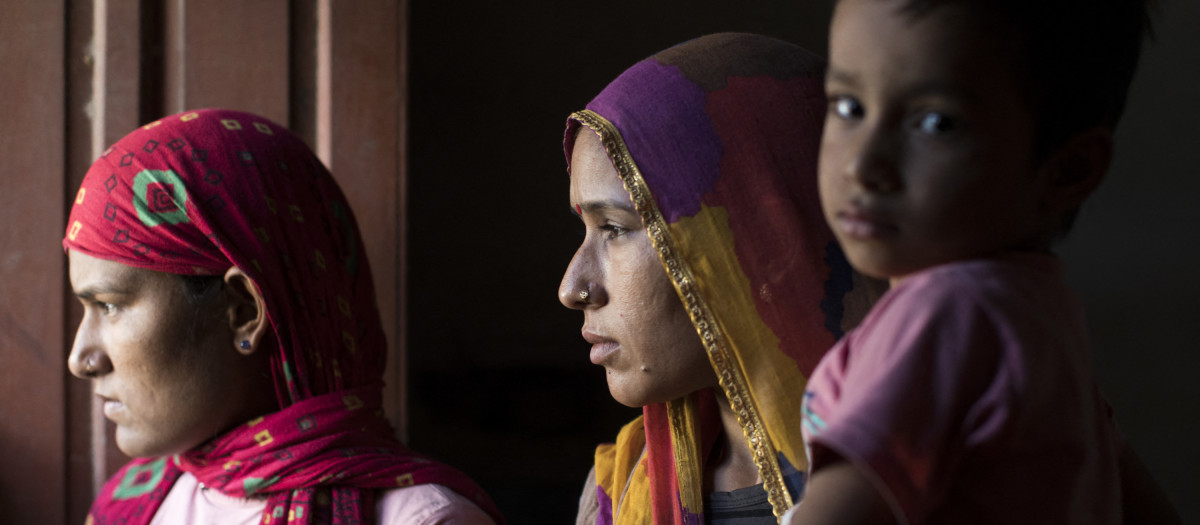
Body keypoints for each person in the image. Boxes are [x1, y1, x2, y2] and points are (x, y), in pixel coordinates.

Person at [786, 0, 1180, 523]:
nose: (864, 165)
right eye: (848, 107)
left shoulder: (949, 314)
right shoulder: (1040, 315)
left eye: (935, 123)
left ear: (1069, 170)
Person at [64, 108, 502, 525]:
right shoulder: (133, 505)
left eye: (108, 305)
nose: (81, 358)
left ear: (243, 311)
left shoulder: (423, 518)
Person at [559, 33, 883, 524]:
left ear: (765, 244)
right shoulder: (620, 489)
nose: (572, 288)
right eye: (585, 229)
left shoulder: (932, 481)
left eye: (615, 229)